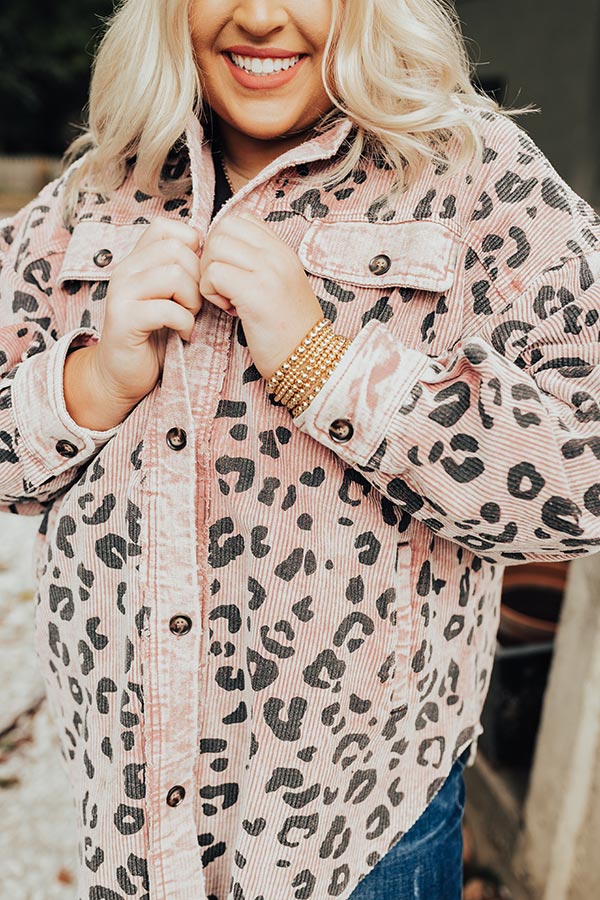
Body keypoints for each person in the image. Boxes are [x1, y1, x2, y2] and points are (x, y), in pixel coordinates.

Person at [1, 0, 599, 898]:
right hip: (135, 836)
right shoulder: (102, 187)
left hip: (360, 839)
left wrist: (328, 366)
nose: (258, 16)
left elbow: (584, 476)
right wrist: (92, 382)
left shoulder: (473, 179)